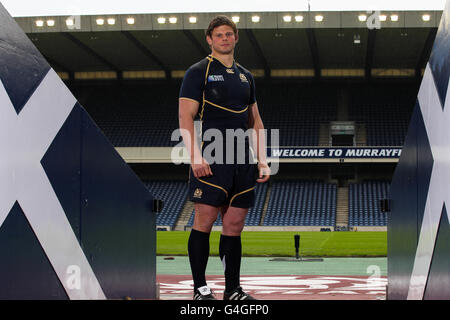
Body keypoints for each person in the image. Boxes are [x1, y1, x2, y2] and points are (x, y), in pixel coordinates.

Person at [178, 15, 270, 300]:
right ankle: (200, 289)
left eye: (229, 34)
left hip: (243, 160)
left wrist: (263, 159)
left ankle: (233, 290)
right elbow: (185, 115)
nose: (225, 38)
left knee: (234, 226)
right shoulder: (199, 71)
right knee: (203, 222)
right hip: (212, 155)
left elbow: (256, 122)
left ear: (236, 37)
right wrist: (195, 156)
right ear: (210, 39)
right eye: (219, 35)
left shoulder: (246, 76)